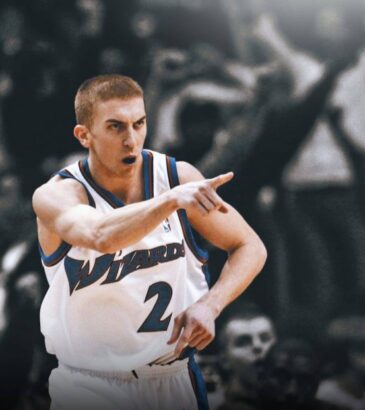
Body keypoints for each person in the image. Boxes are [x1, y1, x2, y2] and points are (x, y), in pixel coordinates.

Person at [31, 74, 267, 410]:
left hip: (172, 376)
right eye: (115, 127)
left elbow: (250, 246)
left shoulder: (177, 177)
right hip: (89, 383)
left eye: (138, 124)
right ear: (84, 135)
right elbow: (100, 236)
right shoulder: (57, 195)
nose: (131, 139)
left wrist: (210, 305)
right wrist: (168, 201)